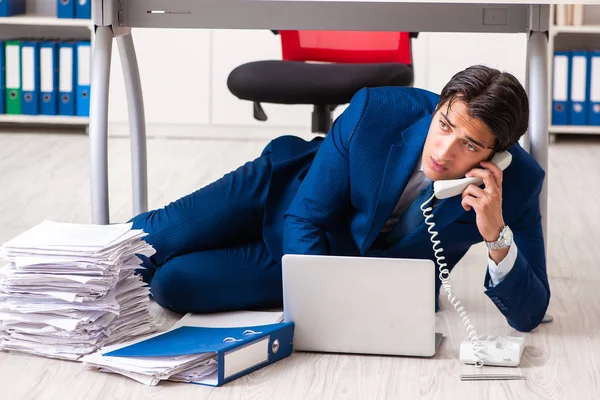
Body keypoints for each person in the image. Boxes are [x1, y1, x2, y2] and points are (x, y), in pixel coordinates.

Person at [130, 65, 550, 332]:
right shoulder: (377, 109)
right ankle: (66, 274)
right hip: (288, 192)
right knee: (155, 238)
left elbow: (530, 314)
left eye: (469, 146)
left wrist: (496, 237)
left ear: (497, 155)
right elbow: (306, 218)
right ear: (438, 107)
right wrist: (323, 314)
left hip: (333, 260)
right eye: (443, 126)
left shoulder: (518, 184)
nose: (443, 152)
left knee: (171, 283)